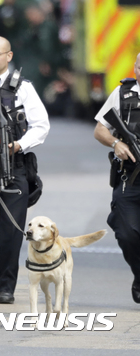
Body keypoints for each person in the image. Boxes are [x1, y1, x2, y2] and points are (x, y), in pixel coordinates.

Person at [0, 36, 50, 304]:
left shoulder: (23, 88)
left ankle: (6, 286)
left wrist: (18, 145)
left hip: (15, 165)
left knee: (10, 232)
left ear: (9, 56)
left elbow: (41, 125)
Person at [93, 52, 140, 304]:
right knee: (127, 234)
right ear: (135, 68)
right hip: (130, 178)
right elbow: (100, 129)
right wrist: (116, 143)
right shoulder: (123, 95)